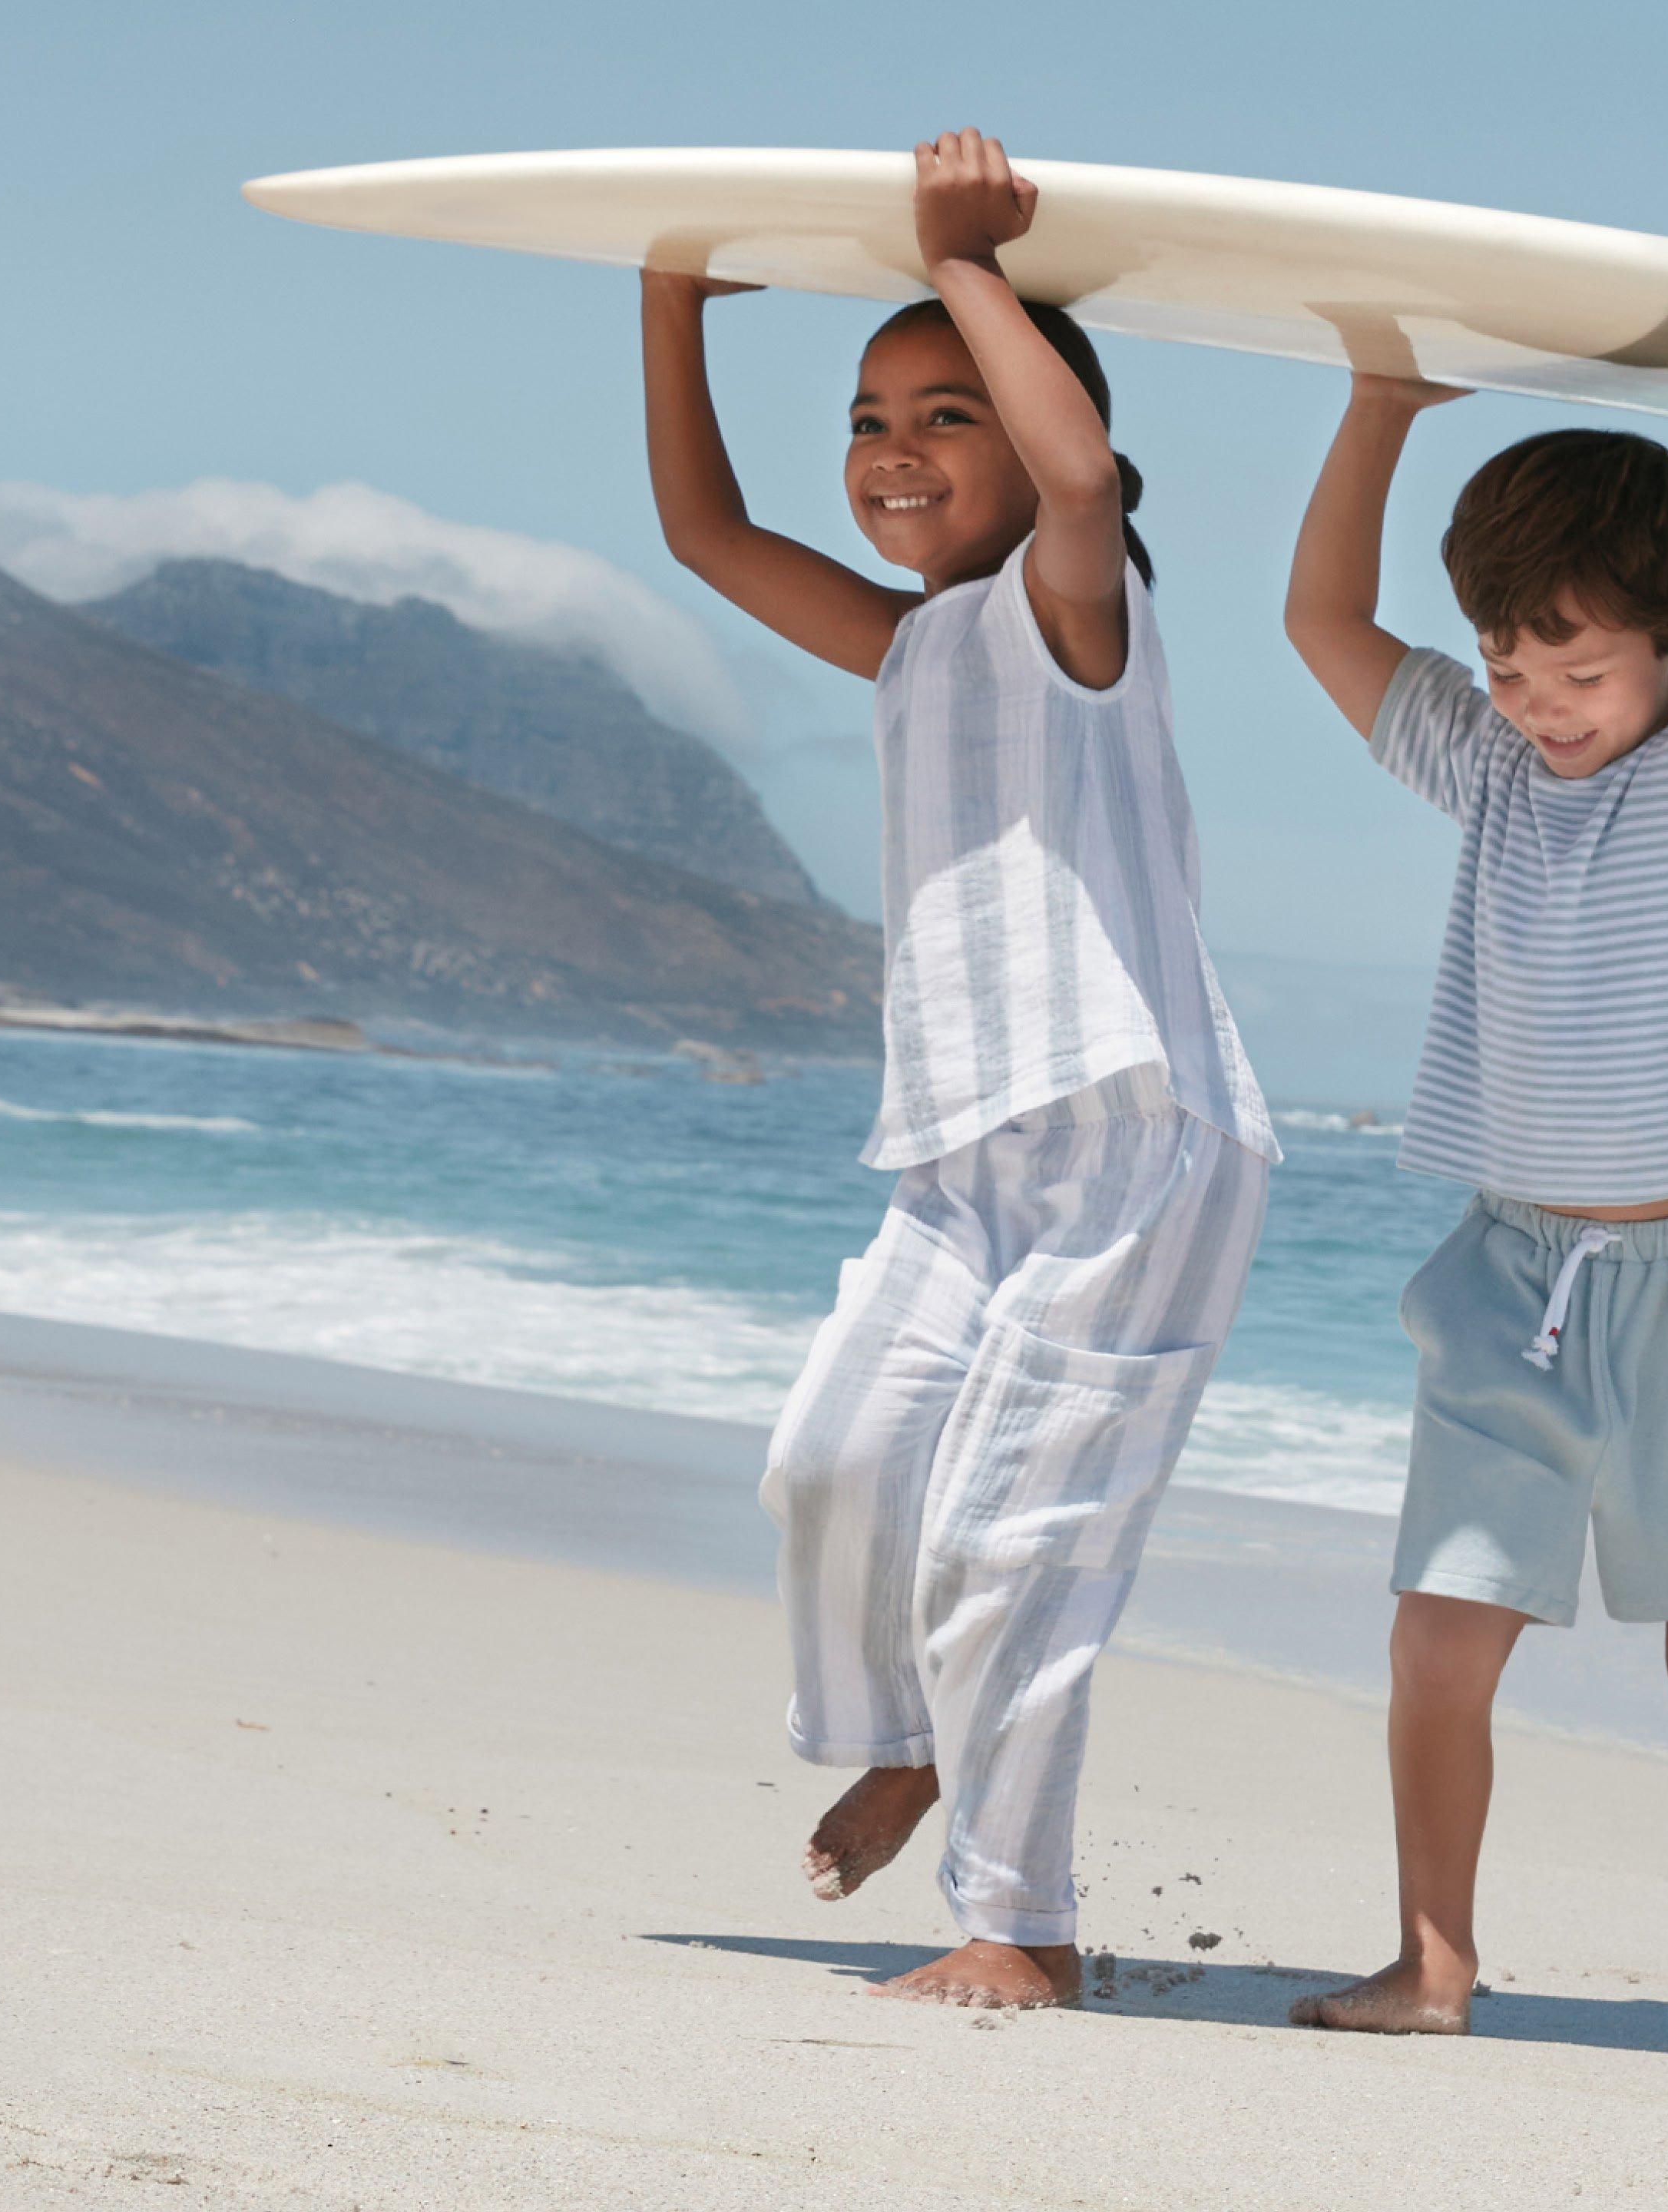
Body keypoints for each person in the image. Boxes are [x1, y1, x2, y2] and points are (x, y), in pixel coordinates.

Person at [643, 128, 1276, 2012]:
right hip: (966, 1160)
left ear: (1036, 430)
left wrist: (970, 266)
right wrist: (674, 292)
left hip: (1139, 1150)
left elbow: (1079, 474)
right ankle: (919, 1734)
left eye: (946, 411)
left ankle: (1025, 1924)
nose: (893, 449)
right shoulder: (914, 645)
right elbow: (704, 537)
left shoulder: (1081, 616)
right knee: (831, 1458)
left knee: (1021, 1539)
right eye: (867, 415)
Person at [1270, 248, 1668, 2056]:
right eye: (1509, 663)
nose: (1538, 698)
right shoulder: (1485, 772)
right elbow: (1318, 622)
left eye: (1579, 666)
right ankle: (1434, 1958)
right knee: (1438, 1635)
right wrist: (1375, 409)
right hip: (1509, 1276)